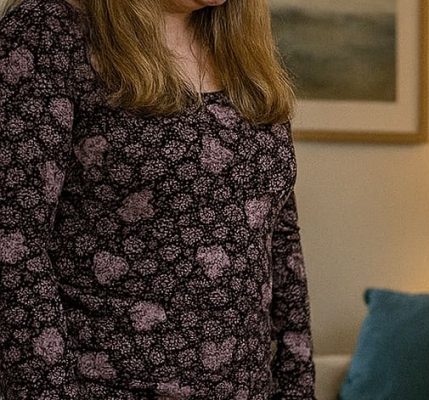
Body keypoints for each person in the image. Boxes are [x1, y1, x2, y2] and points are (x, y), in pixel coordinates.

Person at [0, 0, 314, 398]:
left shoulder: (236, 40)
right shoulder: (48, 30)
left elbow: (279, 237)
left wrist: (297, 388)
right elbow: (13, 241)